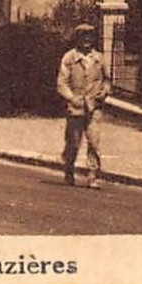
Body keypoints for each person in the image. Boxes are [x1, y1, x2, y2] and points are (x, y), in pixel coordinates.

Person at [57, 23, 109, 188]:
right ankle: (69, 169)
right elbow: (62, 83)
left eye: (90, 36)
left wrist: (104, 91)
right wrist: (72, 98)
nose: (87, 40)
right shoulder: (69, 58)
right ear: (77, 38)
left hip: (94, 107)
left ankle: (92, 175)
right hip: (76, 107)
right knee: (73, 142)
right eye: (83, 36)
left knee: (94, 142)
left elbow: (107, 80)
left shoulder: (99, 58)